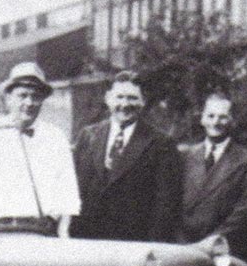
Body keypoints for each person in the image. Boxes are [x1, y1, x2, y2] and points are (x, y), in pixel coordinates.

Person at [70, 71, 181, 242]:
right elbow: (73, 188)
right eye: (119, 97)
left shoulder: (161, 144)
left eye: (132, 98)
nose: (125, 104)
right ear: (108, 98)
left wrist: (152, 248)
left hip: (133, 244)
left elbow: (165, 204)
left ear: (143, 101)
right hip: (86, 241)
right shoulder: (88, 135)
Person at [0, 62, 81, 235]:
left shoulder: (55, 137)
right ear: (9, 97)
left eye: (36, 96)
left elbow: (67, 191)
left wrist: (63, 232)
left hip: (42, 229)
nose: (29, 103)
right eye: (22, 95)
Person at [179, 93, 247, 260]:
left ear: (232, 121)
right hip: (185, 246)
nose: (216, 122)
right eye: (210, 116)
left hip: (227, 248)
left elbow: (246, 208)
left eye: (222, 117)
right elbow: (173, 201)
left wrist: (214, 240)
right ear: (202, 119)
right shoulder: (184, 155)